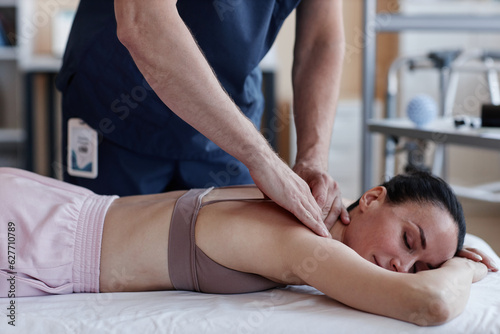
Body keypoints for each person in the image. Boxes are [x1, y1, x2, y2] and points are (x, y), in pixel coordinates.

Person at [0, 168, 496, 326]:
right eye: (409, 240)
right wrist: (468, 268)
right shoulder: (301, 241)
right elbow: (428, 304)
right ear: (370, 199)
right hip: (33, 241)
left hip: (42, 214)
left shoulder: (300, 208)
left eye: (418, 267)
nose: (399, 266)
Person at [55, 0, 348, 237]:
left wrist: (313, 158)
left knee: (235, 262)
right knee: (106, 258)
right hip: (120, 108)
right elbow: (144, 21)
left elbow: (321, 41)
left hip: (228, 125)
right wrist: (264, 160)